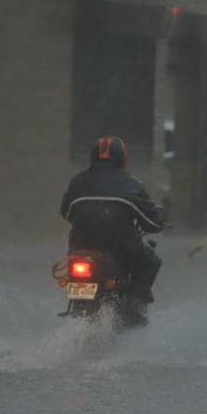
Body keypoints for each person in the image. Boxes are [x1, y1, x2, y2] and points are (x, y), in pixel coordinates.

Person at [60, 136, 165, 318]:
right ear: (122, 158)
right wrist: (159, 218)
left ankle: (79, 308)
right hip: (119, 248)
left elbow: (66, 213)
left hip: (80, 248)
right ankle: (134, 307)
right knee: (150, 261)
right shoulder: (131, 185)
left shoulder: (77, 182)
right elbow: (151, 222)